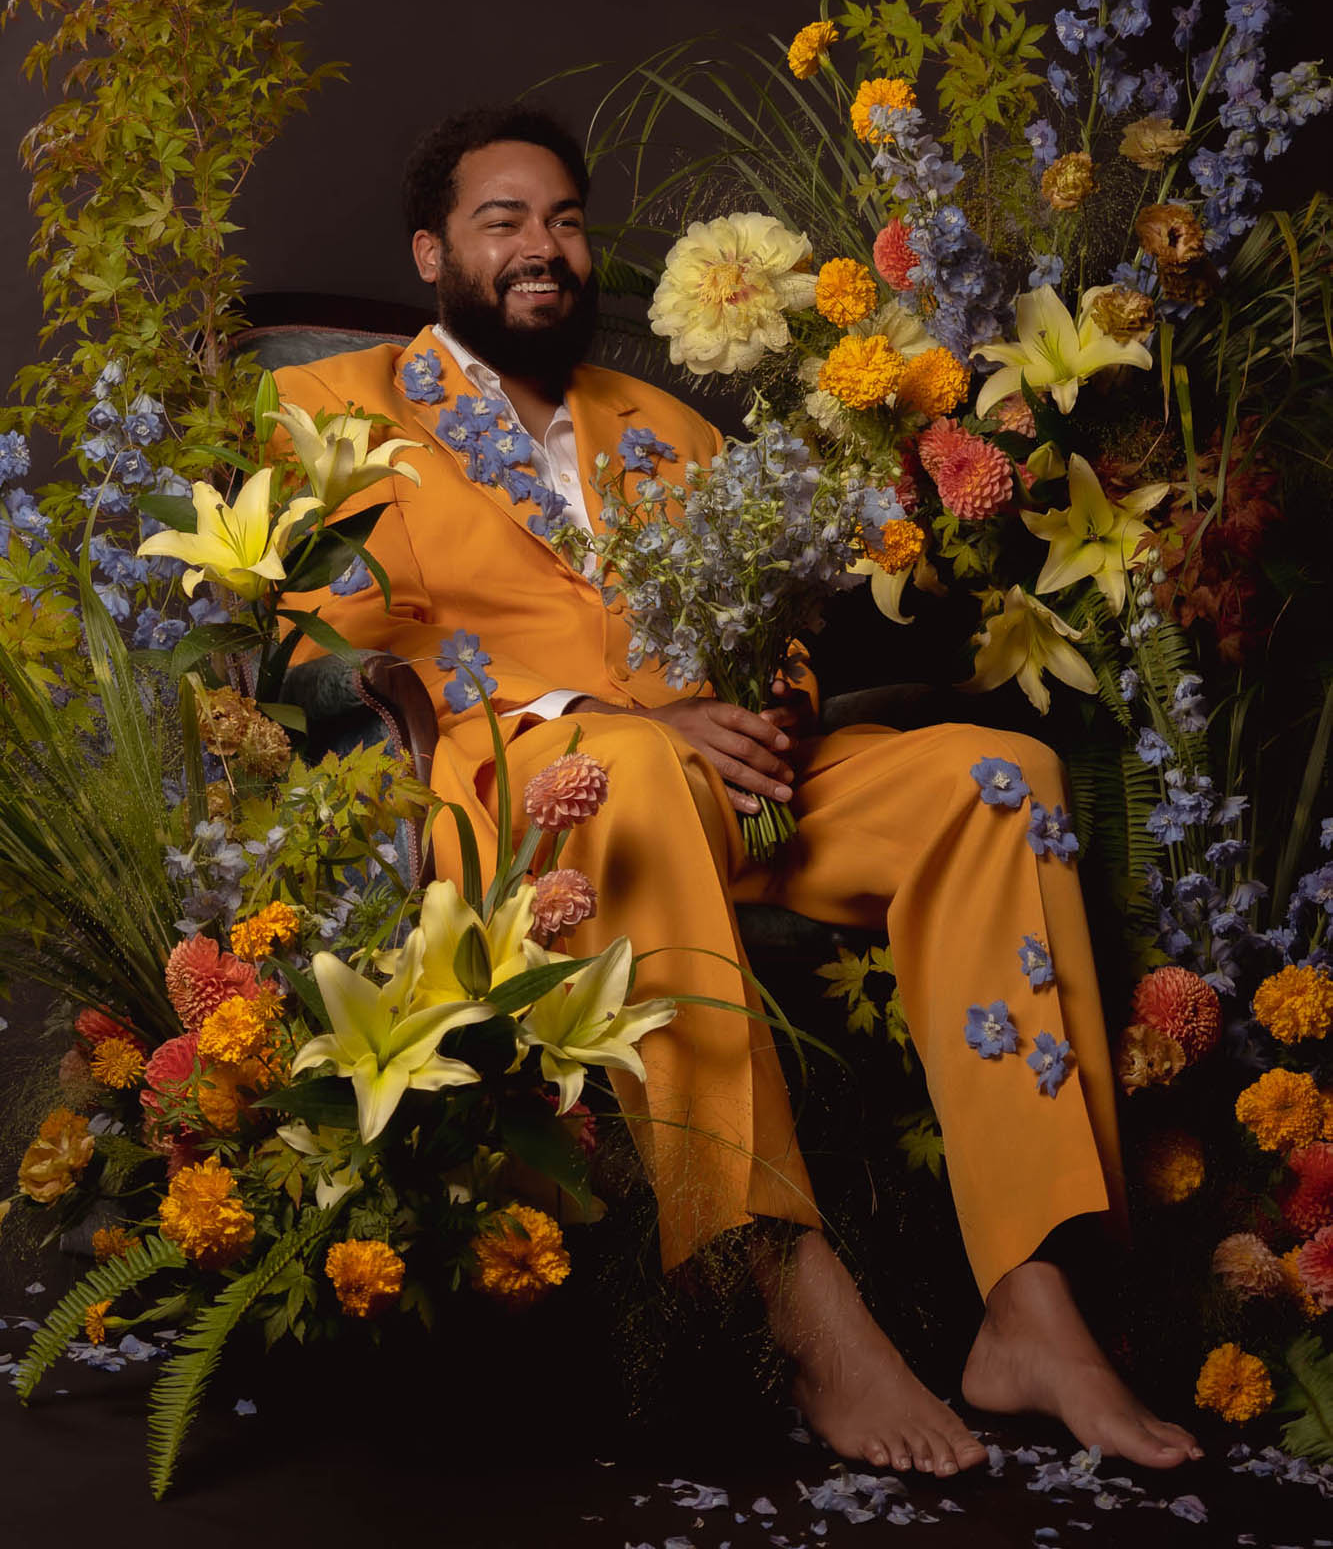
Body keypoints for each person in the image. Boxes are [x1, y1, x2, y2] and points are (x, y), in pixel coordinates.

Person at [273, 103, 1202, 1478]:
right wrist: (612, 714)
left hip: (732, 789)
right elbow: (320, 650)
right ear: (431, 252)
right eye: (503, 219)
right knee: (635, 760)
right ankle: (792, 1289)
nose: (545, 245)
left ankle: (1032, 1291)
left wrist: (771, 708)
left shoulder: (665, 424)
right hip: (534, 794)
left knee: (999, 775)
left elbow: (767, 631)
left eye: (565, 219)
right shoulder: (333, 406)